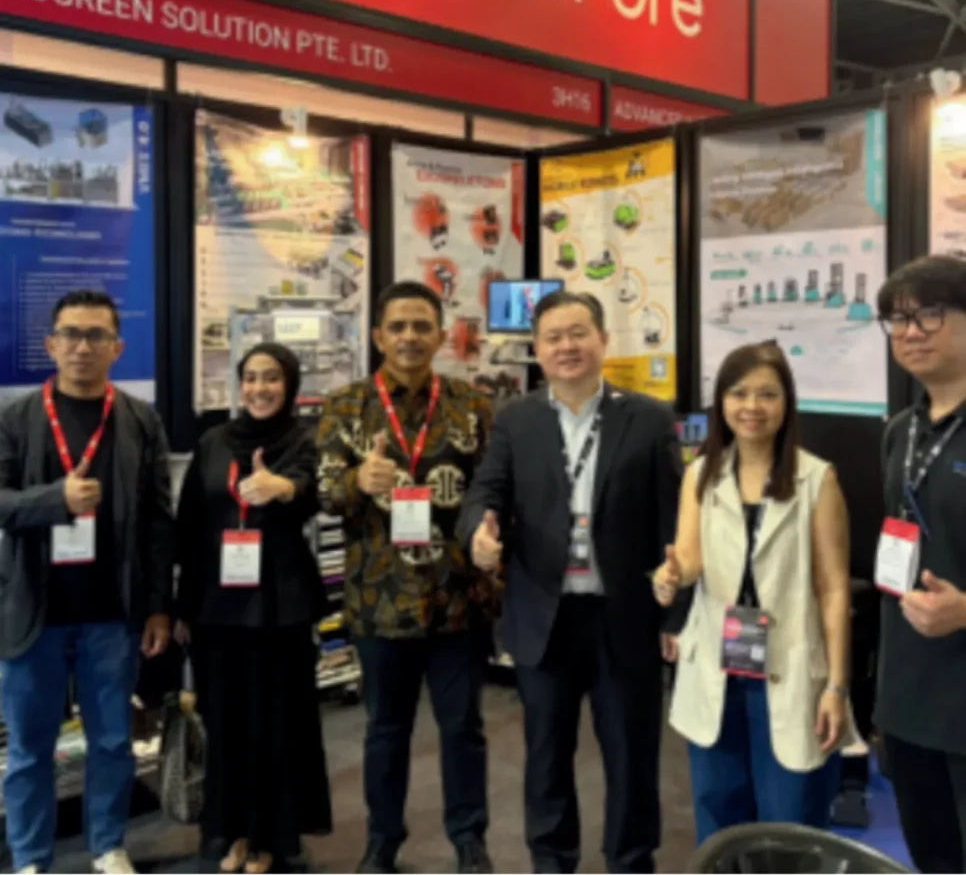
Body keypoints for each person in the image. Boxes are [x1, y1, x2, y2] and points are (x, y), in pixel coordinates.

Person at [461, 289, 681, 875]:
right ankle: (552, 862)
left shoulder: (649, 418)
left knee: (632, 757)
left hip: (623, 617)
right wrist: (477, 532)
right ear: (537, 350)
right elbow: (485, 492)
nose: (567, 346)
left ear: (603, 340)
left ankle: (630, 862)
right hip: (545, 616)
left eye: (579, 333)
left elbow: (674, 521)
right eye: (553, 337)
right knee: (546, 758)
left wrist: (675, 613)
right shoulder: (517, 419)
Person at [317, 281, 495, 875]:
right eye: (397, 327)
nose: (409, 337)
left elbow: (493, 491)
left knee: (463, 729)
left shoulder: (473, 406)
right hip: (379, 598)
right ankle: (382, 842)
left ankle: (469, 840)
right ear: (377, 336)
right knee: (385, 731)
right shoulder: (345, 406)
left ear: (441, 336)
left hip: (457, 598)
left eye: (422, 326)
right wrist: (356, 482)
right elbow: (324, 494)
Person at [0, 289, 174, 875]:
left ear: (116, 348)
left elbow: (159, 521)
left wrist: (158, 606)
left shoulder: (139, 420)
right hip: (35, 615)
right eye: (71, 334)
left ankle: (107, 846)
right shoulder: (15, 419)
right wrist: (57, 500)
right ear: (50, 344)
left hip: (111, 615)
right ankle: (30, 859)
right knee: (30, 749)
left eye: (96, 335)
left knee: (112, 742)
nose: (82, 346)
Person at [653, 342, 854, 843]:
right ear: (721, 400)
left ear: (787, 403)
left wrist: (837, 686)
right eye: (739, 393)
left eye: (768, 394)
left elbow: (833, 590)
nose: (752, 406)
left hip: (789, 669)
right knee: (719, 813)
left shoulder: (816, 480)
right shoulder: (701, 474)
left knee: (788, 821)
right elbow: (689, 557)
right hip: (716, 667)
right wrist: (671, 576)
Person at [174, 342, 331, 873]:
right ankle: (232, 831)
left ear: (289, 386)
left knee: (276, 723)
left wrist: (283, 487)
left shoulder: (304, 440)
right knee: (225, 722)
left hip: (279, 607)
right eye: (251, 378)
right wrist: (181, 606)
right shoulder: (213, 442)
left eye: (271, 378)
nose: (260, 388)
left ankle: (270, 837)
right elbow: (190, 525)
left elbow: (315, 491)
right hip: (217, 605)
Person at [875, 255, 966, 875]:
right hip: (907, 702)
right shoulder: (901, 430)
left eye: (929, 314)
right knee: (932, 859)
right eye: (897, 319)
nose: (910, 332)